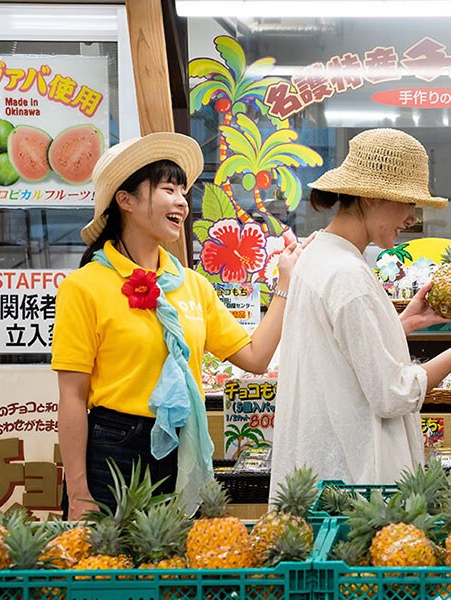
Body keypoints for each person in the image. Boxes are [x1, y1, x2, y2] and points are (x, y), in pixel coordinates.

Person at [52, 132, 310, 519]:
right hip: (114, 448)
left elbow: (255, 358)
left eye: (183, 191)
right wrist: (78, 493)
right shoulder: (83, 287)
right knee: (111, 571)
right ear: (125, 200)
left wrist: (285, 284)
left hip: (181, 445)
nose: (182, 202)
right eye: (168, 189)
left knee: (175, 570)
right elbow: (72, 398)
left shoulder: (192, 285)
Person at [270, 128, 451, 487]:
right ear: (373, 198)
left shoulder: (319, 256)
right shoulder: (348, 275)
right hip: (355, 477)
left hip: (323, 465)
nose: (411, 217)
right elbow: (394, 394)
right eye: (408, 203)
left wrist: (401, 322)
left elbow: (341, 349)